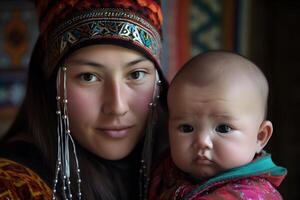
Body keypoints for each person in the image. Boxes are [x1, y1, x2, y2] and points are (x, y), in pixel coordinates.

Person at [0, 0, 169, 199]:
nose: (117, 107)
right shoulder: (14, 185)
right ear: (52, 84)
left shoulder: (191, 161)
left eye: (136, 74)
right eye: (88, 77)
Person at [149, 51, 287, 199]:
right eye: (186, 128)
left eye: (223, 128)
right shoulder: (167, 168)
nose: (202, 141)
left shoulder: (248, 194)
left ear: (260, 137)